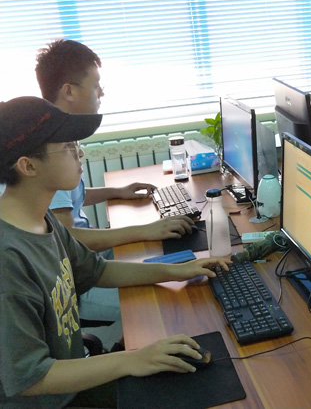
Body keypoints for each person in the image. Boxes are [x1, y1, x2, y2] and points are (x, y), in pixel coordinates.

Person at [0, 97, 231, 408]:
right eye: (68, 147)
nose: (80, 153)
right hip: (51, 400)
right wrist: (132, 359)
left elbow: (98, 270)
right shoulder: (8, 259)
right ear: (28, 166)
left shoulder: (41, 218)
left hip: (72, 381)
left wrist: (176, 271)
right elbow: (30, 377)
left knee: (203, 373)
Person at [35, 39, 195, 332]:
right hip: (75, 284)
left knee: (170, 257)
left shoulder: (59, 137)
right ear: (69, 91)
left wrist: (116, 192)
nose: (102, 93)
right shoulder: (50, 148)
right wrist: (144, 229)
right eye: (96, 85)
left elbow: (66, 200)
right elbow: (69, 237)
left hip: (88, 262)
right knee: (175, 297)